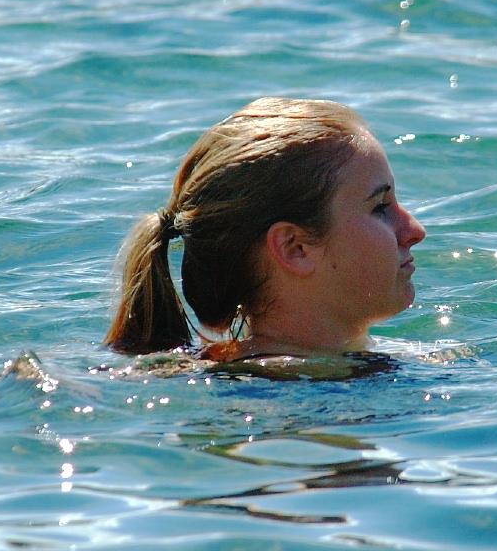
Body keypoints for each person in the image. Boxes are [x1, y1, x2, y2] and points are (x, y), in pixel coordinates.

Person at [104, 97, 426, 361]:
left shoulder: (197, 374)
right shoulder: (280, 396)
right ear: (294, 248)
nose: (414, 230)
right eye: (380, 207)